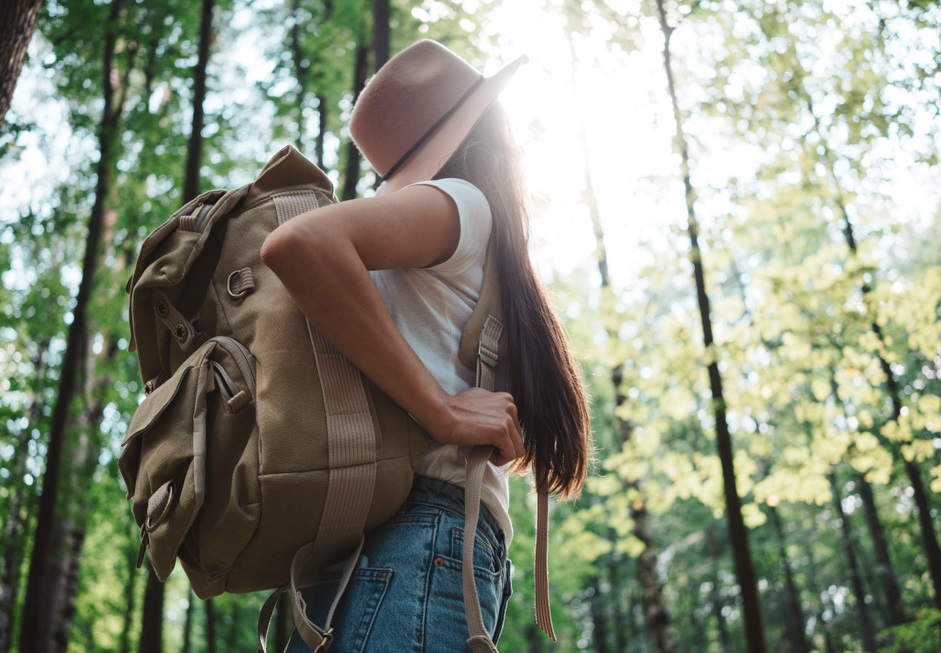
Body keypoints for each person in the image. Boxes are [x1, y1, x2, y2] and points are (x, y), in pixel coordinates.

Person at [260, 39, 592, 652]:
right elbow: (296, 244)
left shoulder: (430, 239)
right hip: (427, 539)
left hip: (386, 547)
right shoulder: (466, 205)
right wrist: (440, 409)